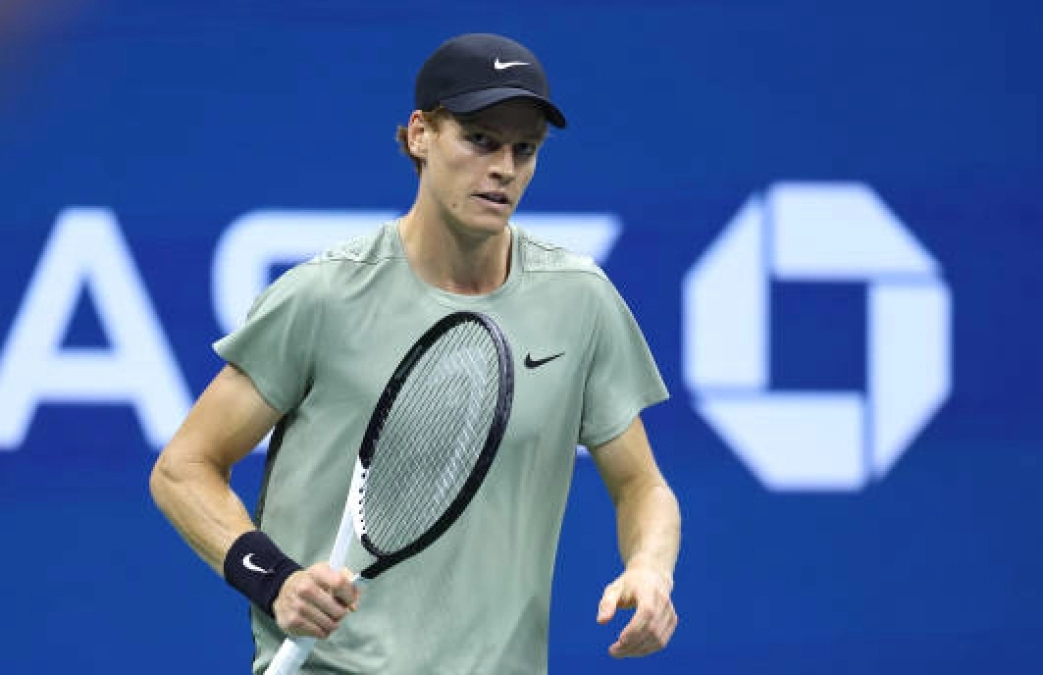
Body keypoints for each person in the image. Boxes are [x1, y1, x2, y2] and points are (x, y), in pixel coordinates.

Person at [150, 32, 681, 674]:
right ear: (419, 135)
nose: (504, 168)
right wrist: (276, 580)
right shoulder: (323, 296)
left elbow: (641, 485)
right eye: (480, 139)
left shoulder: (580, 301)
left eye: (525, 149)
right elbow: (183, 468)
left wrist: (650, 570)